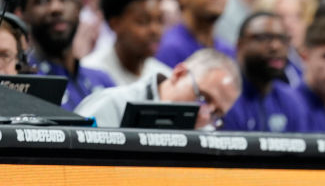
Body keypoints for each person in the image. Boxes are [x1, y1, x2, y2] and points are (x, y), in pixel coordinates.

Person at [16, 0, 115, 109]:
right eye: (42, 0)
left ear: (78, 8)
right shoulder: (21, 83)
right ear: (22, 15)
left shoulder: (102, 80)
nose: (56, 8)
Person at [74, 48, 241, 129]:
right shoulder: (111, 106)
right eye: (203, 97)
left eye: (216, 113)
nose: (205, 115)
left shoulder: (207, 135)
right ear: (179, 73)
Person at [221, 11, 307, 133]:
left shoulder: (291, 100)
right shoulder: (223, 98)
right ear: (240, 45)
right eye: (264, 38)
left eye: (283, 39)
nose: (276, 46)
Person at [81, 0, 170, 86]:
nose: (155, 30)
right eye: (143, 21)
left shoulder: (164, 78)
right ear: (115, 24)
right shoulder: (89, 75)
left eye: (160, 20)